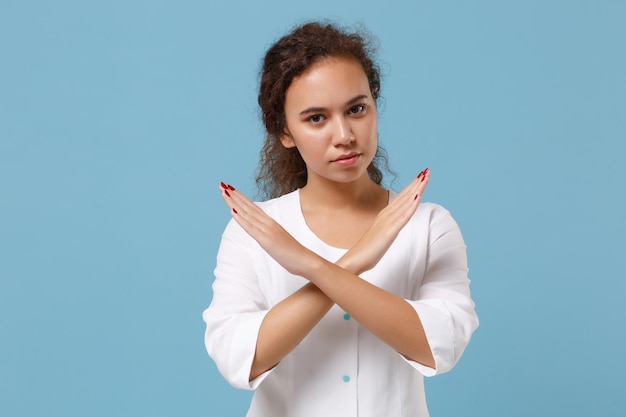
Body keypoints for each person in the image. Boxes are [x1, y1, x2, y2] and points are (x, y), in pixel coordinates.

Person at [203, 21, 479, 417]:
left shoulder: (429, 225)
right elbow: (238, 359)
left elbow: (441, 346)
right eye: (316, 118)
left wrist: (312, 266)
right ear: (284, 131)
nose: (345, 134)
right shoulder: (254, 231)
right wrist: (354, 262)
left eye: (356, 109)